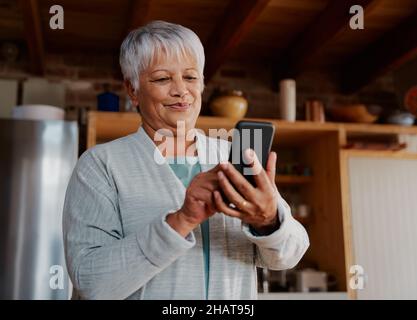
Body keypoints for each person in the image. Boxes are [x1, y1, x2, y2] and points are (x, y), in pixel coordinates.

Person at [63, 20, 309, 300]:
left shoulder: (233, 156)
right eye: (162, 79)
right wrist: (182, 220)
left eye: (190, 77)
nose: (181, 90)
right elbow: (91, 282)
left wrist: (268, 220)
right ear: (132, 90)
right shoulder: (101, 165)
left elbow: (290, 254)